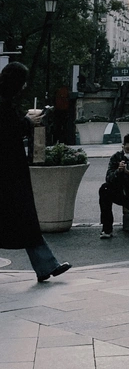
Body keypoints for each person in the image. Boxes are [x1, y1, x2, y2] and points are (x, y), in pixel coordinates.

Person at [0, 62, 71, 283]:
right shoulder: (3, 103)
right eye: (22, 82)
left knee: (25, 220)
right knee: (25, 218)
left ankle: (46, 265)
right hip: (9, 173)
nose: (24, 86)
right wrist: (28, 122)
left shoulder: (5, 101)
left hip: (10, 171)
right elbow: (7, 132)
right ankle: (46, 265)